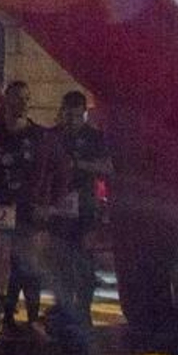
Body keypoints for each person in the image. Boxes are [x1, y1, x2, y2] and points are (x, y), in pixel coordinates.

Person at [42, 90, 112, 336]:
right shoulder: (54, 136)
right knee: (59, 261)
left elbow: (107, 167)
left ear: (84, 113)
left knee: (83, 262)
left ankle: (83, 310)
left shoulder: (94, 138)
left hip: (84, 208)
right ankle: (62, 308)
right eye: (67, 114)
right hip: (58, 208)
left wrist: (79, 165)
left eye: (76, 115)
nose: (70, 120)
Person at [0, 80, 45, 337]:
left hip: (28, 206)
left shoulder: (38, 135)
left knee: (26, 263)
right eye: (16, 97)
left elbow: (50, 170)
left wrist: (47, 201)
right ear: (6, 100)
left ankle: (25, 317)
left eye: (26, 98)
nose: (22, 102)